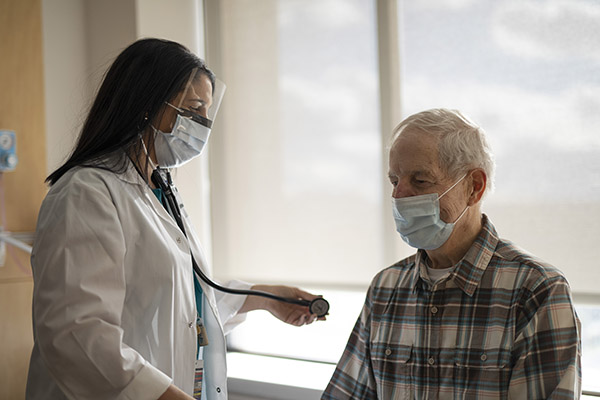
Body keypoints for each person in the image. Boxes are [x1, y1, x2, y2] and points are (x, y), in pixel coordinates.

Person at [26, 38, 323, 400]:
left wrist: (266, 297)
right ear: (146, 104)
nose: (202, 126)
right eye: (194, 109)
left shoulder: (159, 187)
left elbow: (181, 308)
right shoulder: (86, 194)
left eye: (206, 113)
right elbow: (76, 335)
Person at [323, 109, 581, 399]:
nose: (398, 196)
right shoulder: (385, 288)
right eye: (395, 181)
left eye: (420, 181)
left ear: (474, 187)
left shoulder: (536, 290)